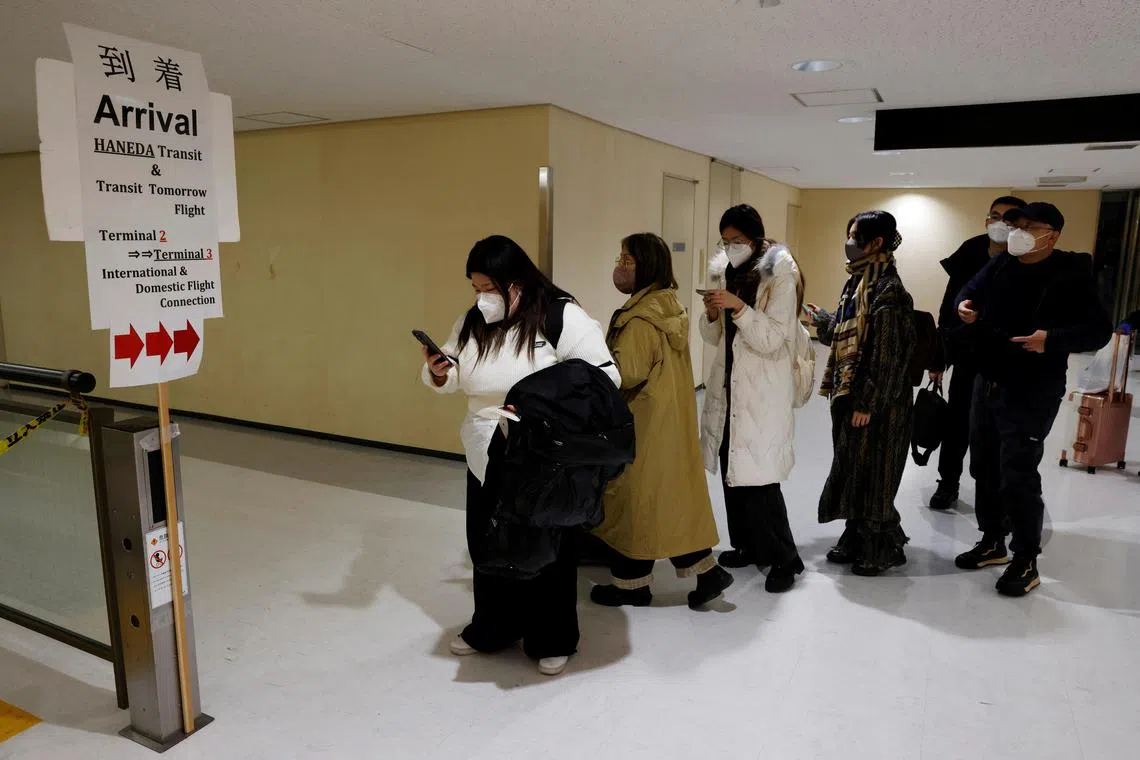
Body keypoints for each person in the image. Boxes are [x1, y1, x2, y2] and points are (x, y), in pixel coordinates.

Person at [422, 235, 620, 675]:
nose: (481, 299)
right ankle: (493, 625)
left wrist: (539, 403)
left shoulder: (560, 316)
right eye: (475, 289)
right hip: (485, 449)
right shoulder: (472, 321)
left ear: (516, 281)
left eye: (489, 289)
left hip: (540, 454)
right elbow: (455, 373)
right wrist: (440, 373)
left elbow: (603, 377)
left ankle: (553, 635)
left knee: (546, 543)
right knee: (488, 540)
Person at [953, 202, 1112, 596]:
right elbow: (970, 290)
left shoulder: (1071, 271)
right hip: (988, 379)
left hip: (1031, 387)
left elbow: (1098, 331)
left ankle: (1026, 558)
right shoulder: (1004, 262)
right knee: (985, 466)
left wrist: (1051, 340)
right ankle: (993, 540)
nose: (1019, 232)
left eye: (1029, 226)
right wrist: (965, 306)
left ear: (1052, 235)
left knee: (1019, 473)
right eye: (1016, 225)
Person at [591, 233, 734, 609]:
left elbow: (627, 373)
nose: (619, 267)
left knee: (635, 501)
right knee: (667, 503)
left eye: (627, 260)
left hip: (642, 421)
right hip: (668, 418)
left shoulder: (640, 320)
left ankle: (631, 588)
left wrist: (590, 365)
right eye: (619, 258)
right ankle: (707, 573)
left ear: (647, 267)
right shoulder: (667, 306)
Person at [699, 205, 806, 593]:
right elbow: (713, 338)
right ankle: (746, 545)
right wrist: (712, 314)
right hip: (729, 384)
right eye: (725, 242)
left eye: (738, 241)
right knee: (733, 471)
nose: (731, 248)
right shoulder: (724, 271)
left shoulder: (781, 274)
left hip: (762, 387)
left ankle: (785, 558)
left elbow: (772, 338)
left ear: (757, 239)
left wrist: (738, 307)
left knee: (759, 479)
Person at [808, 210, 915, 577]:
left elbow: (888, 356)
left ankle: (883, 548)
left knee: (876, 474)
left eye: (855, 236)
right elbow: (841, 334)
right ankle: (855, 535)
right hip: (848, 393)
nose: (849, 243)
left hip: (880, 403)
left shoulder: (890, 292)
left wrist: (868, 403)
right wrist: (821, 320)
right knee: (852, 467)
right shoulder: (856, 284)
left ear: (876, 243)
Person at [928, 196, 1027, 510]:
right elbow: (948, 305)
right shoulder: (971, 250)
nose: (1000, 223)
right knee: (957, 420)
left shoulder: (1025, 258)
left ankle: (999, 493)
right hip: (966, 352)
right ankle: (948, 483)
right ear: (987, 220)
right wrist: (938, 357)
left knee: (998, 428)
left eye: (1009, 218)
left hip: (1005, 359)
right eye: (995, 216)